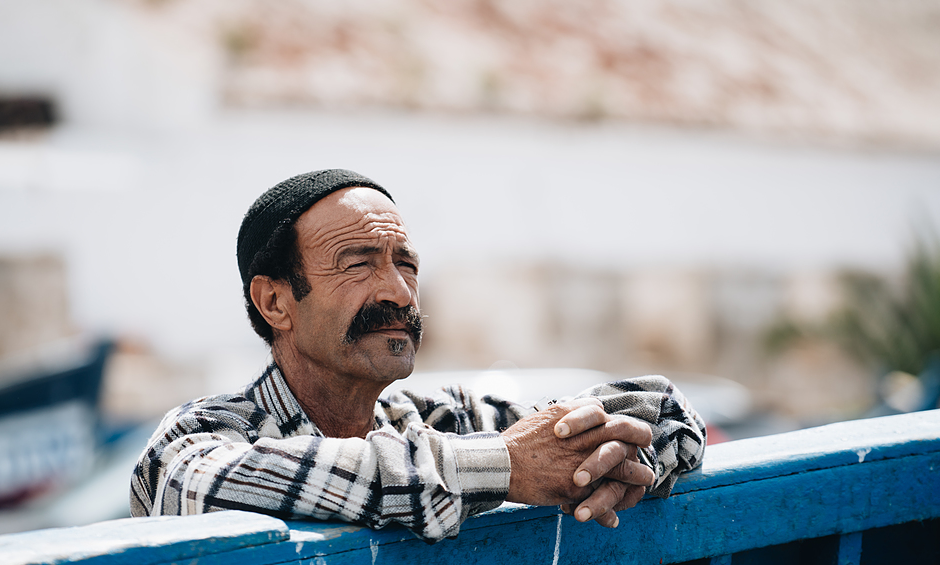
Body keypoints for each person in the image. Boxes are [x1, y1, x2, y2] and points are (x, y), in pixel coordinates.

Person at [130, 169, 706, 543]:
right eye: (358, 263)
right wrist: (505, 466)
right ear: (276, 301)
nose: (398, 293)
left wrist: (607, 463)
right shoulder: (200, 436)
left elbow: (667, 410)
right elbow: (199, 485)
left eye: (405, 264)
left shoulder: (439, 419)